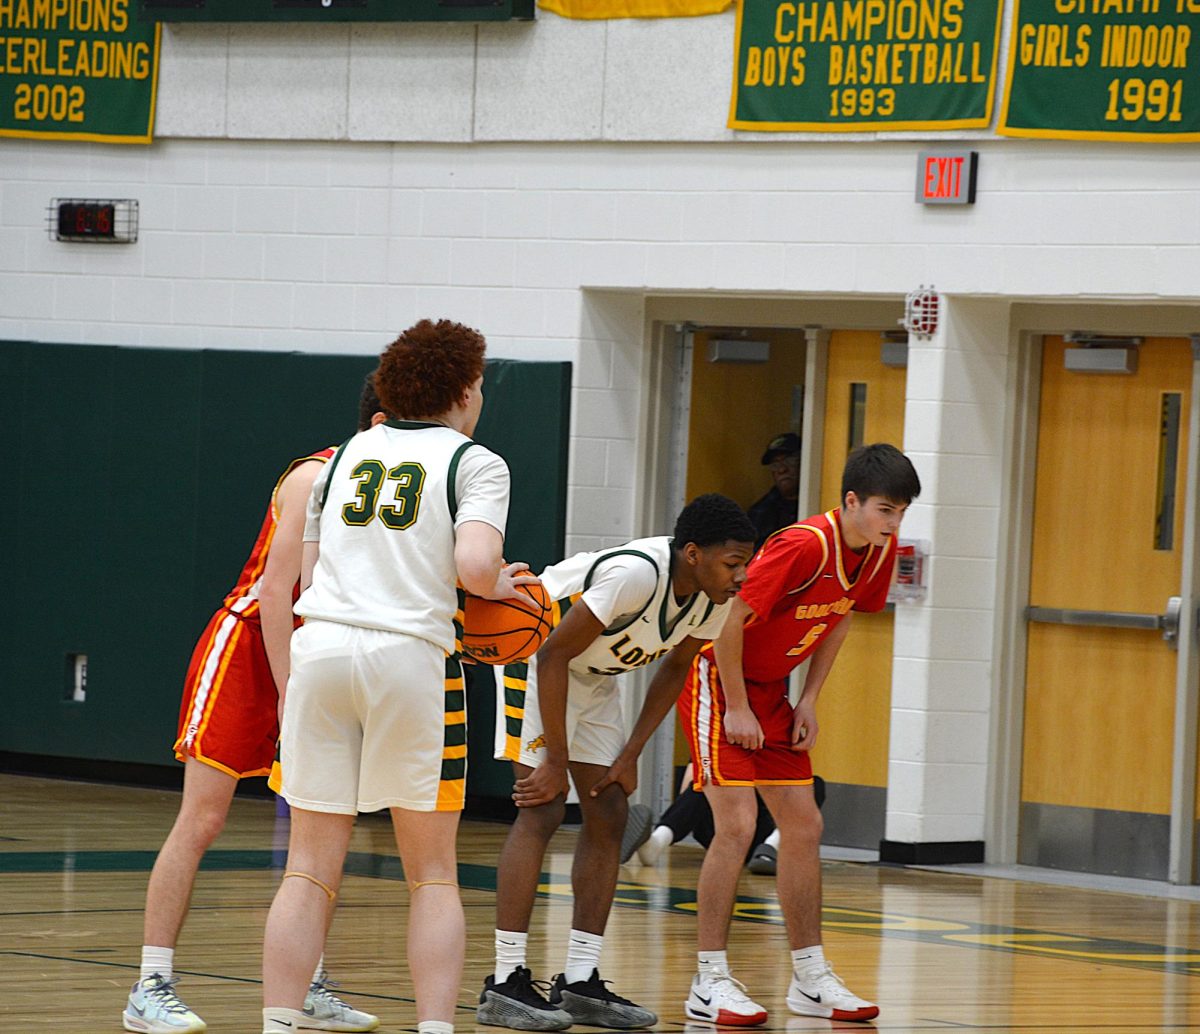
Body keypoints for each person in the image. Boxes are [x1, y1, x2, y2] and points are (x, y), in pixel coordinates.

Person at [260, 319, 533, 1034]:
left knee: (308, 869)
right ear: (467, 390)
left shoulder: (340, 456)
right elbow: (475, 568)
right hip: (409, 661)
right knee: (433, 873)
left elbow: (314, 576)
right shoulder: (476, 462)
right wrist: (501, 586)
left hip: (323, 650)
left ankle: (278, 1024)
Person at [123, 377, 386, 1034]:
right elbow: (276, 589)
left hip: (320, 654)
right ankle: (149, 984)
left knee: (320, 836)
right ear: (381, 422)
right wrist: (290, 687)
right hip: (250, 649)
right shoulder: (314, 476)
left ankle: (310, 982)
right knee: (202, 819)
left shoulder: (395, 488)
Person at [479, 495, 757, 1032]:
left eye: (746, 563)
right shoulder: (636, 574)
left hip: (592, 675)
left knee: (608, 811)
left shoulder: (712, 598)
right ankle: (504, 981)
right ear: (694, 554)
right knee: (542, 809)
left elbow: (675, 668)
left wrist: (631, 753)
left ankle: (579, 980)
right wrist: (555, 760)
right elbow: (552, 654)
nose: (741, 575)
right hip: (538, 660)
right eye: (733, 563)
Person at [678, 443, 920, 1026]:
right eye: (886, 510)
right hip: (720, 677)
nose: (894, 523)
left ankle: (810, 977)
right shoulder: (803, 544)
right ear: (852, 501)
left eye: (903, 512)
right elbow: (730, 621)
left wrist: (808, 698)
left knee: (805, 823)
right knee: (735, 826)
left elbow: (838, 620)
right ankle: (707, 979)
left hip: (772, 692)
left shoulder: (877, 551)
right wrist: (737, 706)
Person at [622, 766, 825, 871]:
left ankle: (770, 850)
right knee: (703, 783)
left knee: (814, 784)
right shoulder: (717, 727)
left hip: (762, 826)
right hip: (726, 824)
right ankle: (654, 844)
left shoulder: (777, 734)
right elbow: (689, 785)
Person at [747, 432, 801, 549]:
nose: (782, 469)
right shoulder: (760, 513)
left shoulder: (818, 503)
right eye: (775, 465)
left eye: (790, 461)